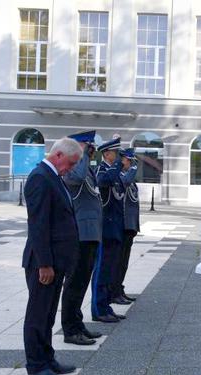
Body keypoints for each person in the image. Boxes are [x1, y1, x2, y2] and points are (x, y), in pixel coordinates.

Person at [22, 138, 82, 375]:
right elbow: (38, 225)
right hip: (43, 263)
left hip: (56, 261)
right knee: (38, 315)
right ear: (58, 155)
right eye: (71, 163)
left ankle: (47, 359)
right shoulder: (40, 177)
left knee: (47, 314)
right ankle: (36, 366)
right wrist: (45, 263)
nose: (71, 168)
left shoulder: (54, 177)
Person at [60, 130, 103, 345]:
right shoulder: (70, 169)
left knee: (83, 282)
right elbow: (76, 179)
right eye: (87, 145)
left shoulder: (85, 167)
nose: (91, 148)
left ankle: (78, 323)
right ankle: (70, 329)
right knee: (74, 282)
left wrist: (88, 158)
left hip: (90, 233)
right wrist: (84, 156)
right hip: (80, 234)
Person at [93, 137, 126, 323]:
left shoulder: (114, 170)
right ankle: (99, 308)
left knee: (111, 268)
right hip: (105, 226)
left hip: (115, 226)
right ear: (106, 153)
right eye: (116, 153)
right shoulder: (101, 170)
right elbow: (106, 181)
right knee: (102, 269)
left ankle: (106, 306)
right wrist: (118, 166)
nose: (119, 156)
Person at [110, 148, 139, 305]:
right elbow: (126, 182)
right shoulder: (120, 177)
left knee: (124, 262)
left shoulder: (127, 177)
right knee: (118, 261)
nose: (132, 164)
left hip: (130, 225)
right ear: (122, 161)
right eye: (130, 161)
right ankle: (114, 291)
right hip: (123, 225)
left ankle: (119, 289)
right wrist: (134, 168)